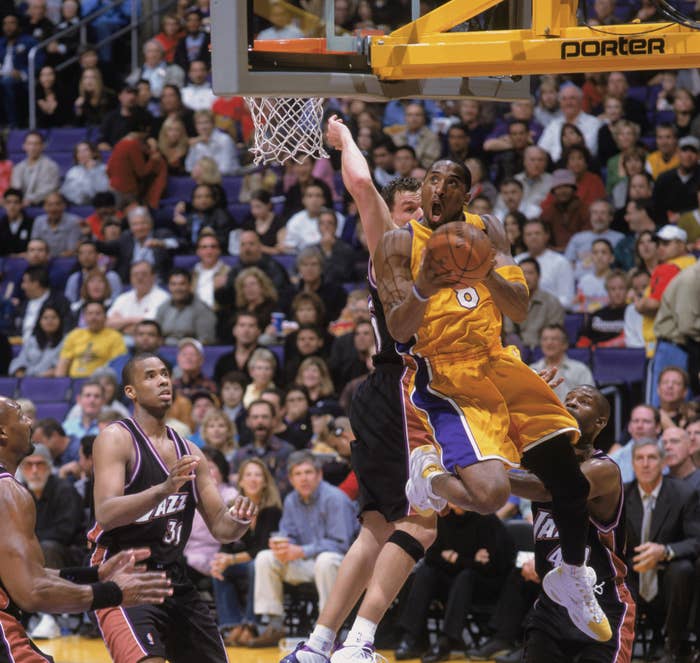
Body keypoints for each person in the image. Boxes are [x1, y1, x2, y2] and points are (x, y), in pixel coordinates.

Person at [374, 157, 612, 643]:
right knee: (491, 495)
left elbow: (519, 308)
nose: (438, 190)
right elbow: (399, 332)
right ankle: (432, 477)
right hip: (445, 372)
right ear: (421, 189)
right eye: (431, 181)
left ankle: (570, 572)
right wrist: (426, 284)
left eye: (451, 183)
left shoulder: (490, 229)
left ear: (469, 194)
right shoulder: (398, 243)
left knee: (567, 480)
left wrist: (483, 269)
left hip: (498, 359)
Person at [89, 352, 257, 663]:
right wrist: (163, 490)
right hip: (123, 574)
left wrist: (240, 518)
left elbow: (221, 527)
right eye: (150, 376)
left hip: (173, 577)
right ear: (131, 392)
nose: (163, 380)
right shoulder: (116, 438)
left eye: (165, 373)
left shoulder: (190, 450)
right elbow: (106, 513)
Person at [0, 396, 174, 661]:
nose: (29, 422)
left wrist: (94, 575)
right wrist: (114, 593)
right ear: (2, 431)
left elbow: (22, 573)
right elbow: (31, 591)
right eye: (21, 416)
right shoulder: (6, 491)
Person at [506, 385, 635, 663]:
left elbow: (549, 489)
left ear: (600, 421)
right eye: (568, 399)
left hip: (602, 599)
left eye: (583, 401)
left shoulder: (604, 469)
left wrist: (489, 479)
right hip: (552, 606)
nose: (573, 403)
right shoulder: (542, 463)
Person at [250, 451, 358, 647]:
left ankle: (329, 628)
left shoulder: (335, 498)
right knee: (265, 558)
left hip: (339, 565)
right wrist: (282, 546)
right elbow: (287, 534)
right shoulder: (291, 500)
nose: (304, 478)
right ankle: (274, 625)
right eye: (298, 474)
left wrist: (301, 551)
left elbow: (341, 544)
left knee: (326, 560)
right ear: (291, 479)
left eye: (308, 472)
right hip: (306, 564)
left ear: (319, 475)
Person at [624, 439, 700, 661]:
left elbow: (696, 540)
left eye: (652, 457)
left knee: (683, 569)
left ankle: (673, 645)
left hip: (668, 574)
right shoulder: (622, 495)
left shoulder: (683, 493)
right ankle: (615, 644)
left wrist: (664, 551)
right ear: (632, 463)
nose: (645, 464)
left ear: (664, 462)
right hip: (634, 571)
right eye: (640, 458)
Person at [211, 457, 282, 645]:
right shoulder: (233, 508)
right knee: (219, 570)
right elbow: (225, 541)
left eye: (258, 475)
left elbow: (263, 548)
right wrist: (220, 560)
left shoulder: (272, 510)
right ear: (240, 481)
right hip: (243, 562)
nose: (253, 479)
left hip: (266, 563)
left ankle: (251, 625)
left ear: (265, 481)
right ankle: (232, 625)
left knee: (254, 566)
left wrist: (231, 559)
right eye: (248, 475)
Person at [503, 257, 564, 351]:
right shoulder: (509, 301)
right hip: (517, 352)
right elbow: (508, 332)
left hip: (544, 351)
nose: (526, 277)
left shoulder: (552, 302)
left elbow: (555, 332)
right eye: (522, 273)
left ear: (539, 276)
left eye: (530, 273)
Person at [56, 300, 127, 378]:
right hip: (73, 382)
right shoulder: (74, 334)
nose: (93, 317)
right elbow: (64, 362)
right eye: (90, 314)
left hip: (100, 383)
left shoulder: (115, 337)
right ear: (84, 317)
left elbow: (117, 365)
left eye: (98, 313)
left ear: (105, 317)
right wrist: (60, 384)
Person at [155, 268, 217, 345]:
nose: (178, 288)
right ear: (169, 286)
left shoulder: (202, 310)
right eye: (173, 284)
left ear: (190, 286)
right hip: (164, 353)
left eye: (182, 284)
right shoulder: (162, 308)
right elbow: (156, 336)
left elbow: (206, 340)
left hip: (190, 354)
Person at [8, 304, 65, 376]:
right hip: (28, 381)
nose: (49, 321)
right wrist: (20, 373)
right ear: (39, 321)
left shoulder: (67, 341)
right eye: (45, 318)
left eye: (54, 317)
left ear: (60, 320)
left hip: (51, 382)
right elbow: (20, 360)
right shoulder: (32, 341)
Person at [11, 131, 60, 207]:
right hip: (20, 206)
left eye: (36, 144)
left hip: (42, 206)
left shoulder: (51, 166)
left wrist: (30, 200)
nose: (32, 147)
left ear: (42, 146)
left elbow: (48, 190)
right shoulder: (18, 168)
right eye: (29, 144)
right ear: (24, 146)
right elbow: (16, 188)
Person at [0, 187, 33, 257]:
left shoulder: (31, 223)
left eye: (16, 202)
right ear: (4, 204)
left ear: (21, 204)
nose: (12, 206)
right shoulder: (1, 224)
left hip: (26, 262)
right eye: (8, 202)